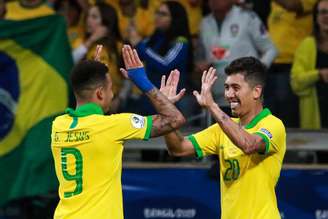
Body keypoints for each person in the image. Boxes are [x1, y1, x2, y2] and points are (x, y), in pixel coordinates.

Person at [50, 45, 186, 219]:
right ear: (100, 94)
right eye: (110, 88)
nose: (113, 94)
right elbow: (174, 119)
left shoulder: (58, 126)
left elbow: (90, 115)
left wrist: (92, 74)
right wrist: (143, 82)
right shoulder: (115, 126)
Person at [162, 57, 286, 219]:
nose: (228, 94)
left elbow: (249, 144)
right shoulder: (223, 129)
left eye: (235, 88)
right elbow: (178, 148)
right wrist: (166, 110)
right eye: (226, 87)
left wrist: (212, 106)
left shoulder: (273, 125)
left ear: (256, 91)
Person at [198, 0, 277, 113]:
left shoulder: (247, 17)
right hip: (217, 95)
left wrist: (256, 74)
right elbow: (205, 56)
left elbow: (271, 49)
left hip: (246, 95)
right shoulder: (204, 23)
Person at [128, 0, 194, 116]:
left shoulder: (181, 42)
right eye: (157, 13)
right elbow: (138, 54)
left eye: (163, 14)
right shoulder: (156, 37)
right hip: (149, 98)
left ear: (175, 18)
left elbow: (165, 64)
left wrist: (139, 44)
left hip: (170, 101)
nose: (157, 16)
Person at [266, 0, 317, 128]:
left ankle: (291, 147)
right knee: (270, 115)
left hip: (292, 63)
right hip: (271, 64)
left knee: (287, 115)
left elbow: (293, 5)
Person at [291, 0, 328, 129]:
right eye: (323, 12)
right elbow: (296, 82)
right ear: (316, 17)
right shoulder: (307, 45)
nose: (326, 16)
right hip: (315, 119)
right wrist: (319, 74)